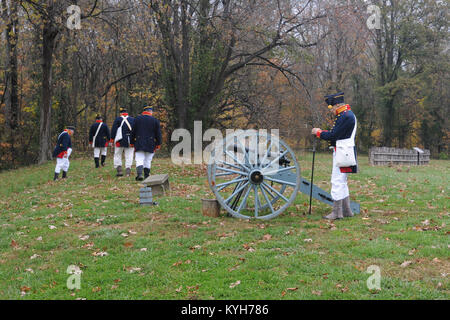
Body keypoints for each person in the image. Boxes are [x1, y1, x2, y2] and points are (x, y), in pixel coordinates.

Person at [311, 92, 358, 220]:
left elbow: (333, 136)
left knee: (337, 181)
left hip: (343, 152)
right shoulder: (347, 114)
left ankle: (337, 213)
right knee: (342, 181)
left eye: (332, 107)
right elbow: (336, 134)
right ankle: (347, 211)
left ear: (337, 105)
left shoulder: (345, 116)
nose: (331, 111)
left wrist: (319, 132)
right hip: (345, 151)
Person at [131, 105, 162, 181]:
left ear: (144, 111)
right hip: (151, 142)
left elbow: (133, 132)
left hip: (139, 141)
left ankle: (139, 174)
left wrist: (131, 142)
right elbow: (158, 134)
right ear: (150, 112)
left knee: (139, 159)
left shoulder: (137, 119)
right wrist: (158, 143)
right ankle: (147, 176)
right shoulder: (155, 120)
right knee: (148, 160)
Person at [110, 107, 135, 177]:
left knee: (117, 154)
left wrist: (112, 139)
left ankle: (119, 170)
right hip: (130, 140)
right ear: (127, 113)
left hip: (119, 140)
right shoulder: (132, 119)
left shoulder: (118, 119)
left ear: (120, 113)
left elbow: (114, 130)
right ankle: (128, 170)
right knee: (129, 155)